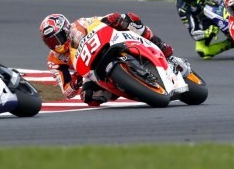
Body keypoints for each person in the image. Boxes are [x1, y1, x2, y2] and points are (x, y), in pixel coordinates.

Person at [40, 13, 181, 106]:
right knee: (88, 97)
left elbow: (99, 21)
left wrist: (113, 18)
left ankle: (159, 44)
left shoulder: (79, 24)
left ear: (66, 29)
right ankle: (125, 85)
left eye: (58, 38)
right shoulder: (54, 61)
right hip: (90, 70)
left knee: (127, 19)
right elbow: (67, 92)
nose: (56, 45)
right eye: (51, 42)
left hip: (108, 43)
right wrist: (75, 83)